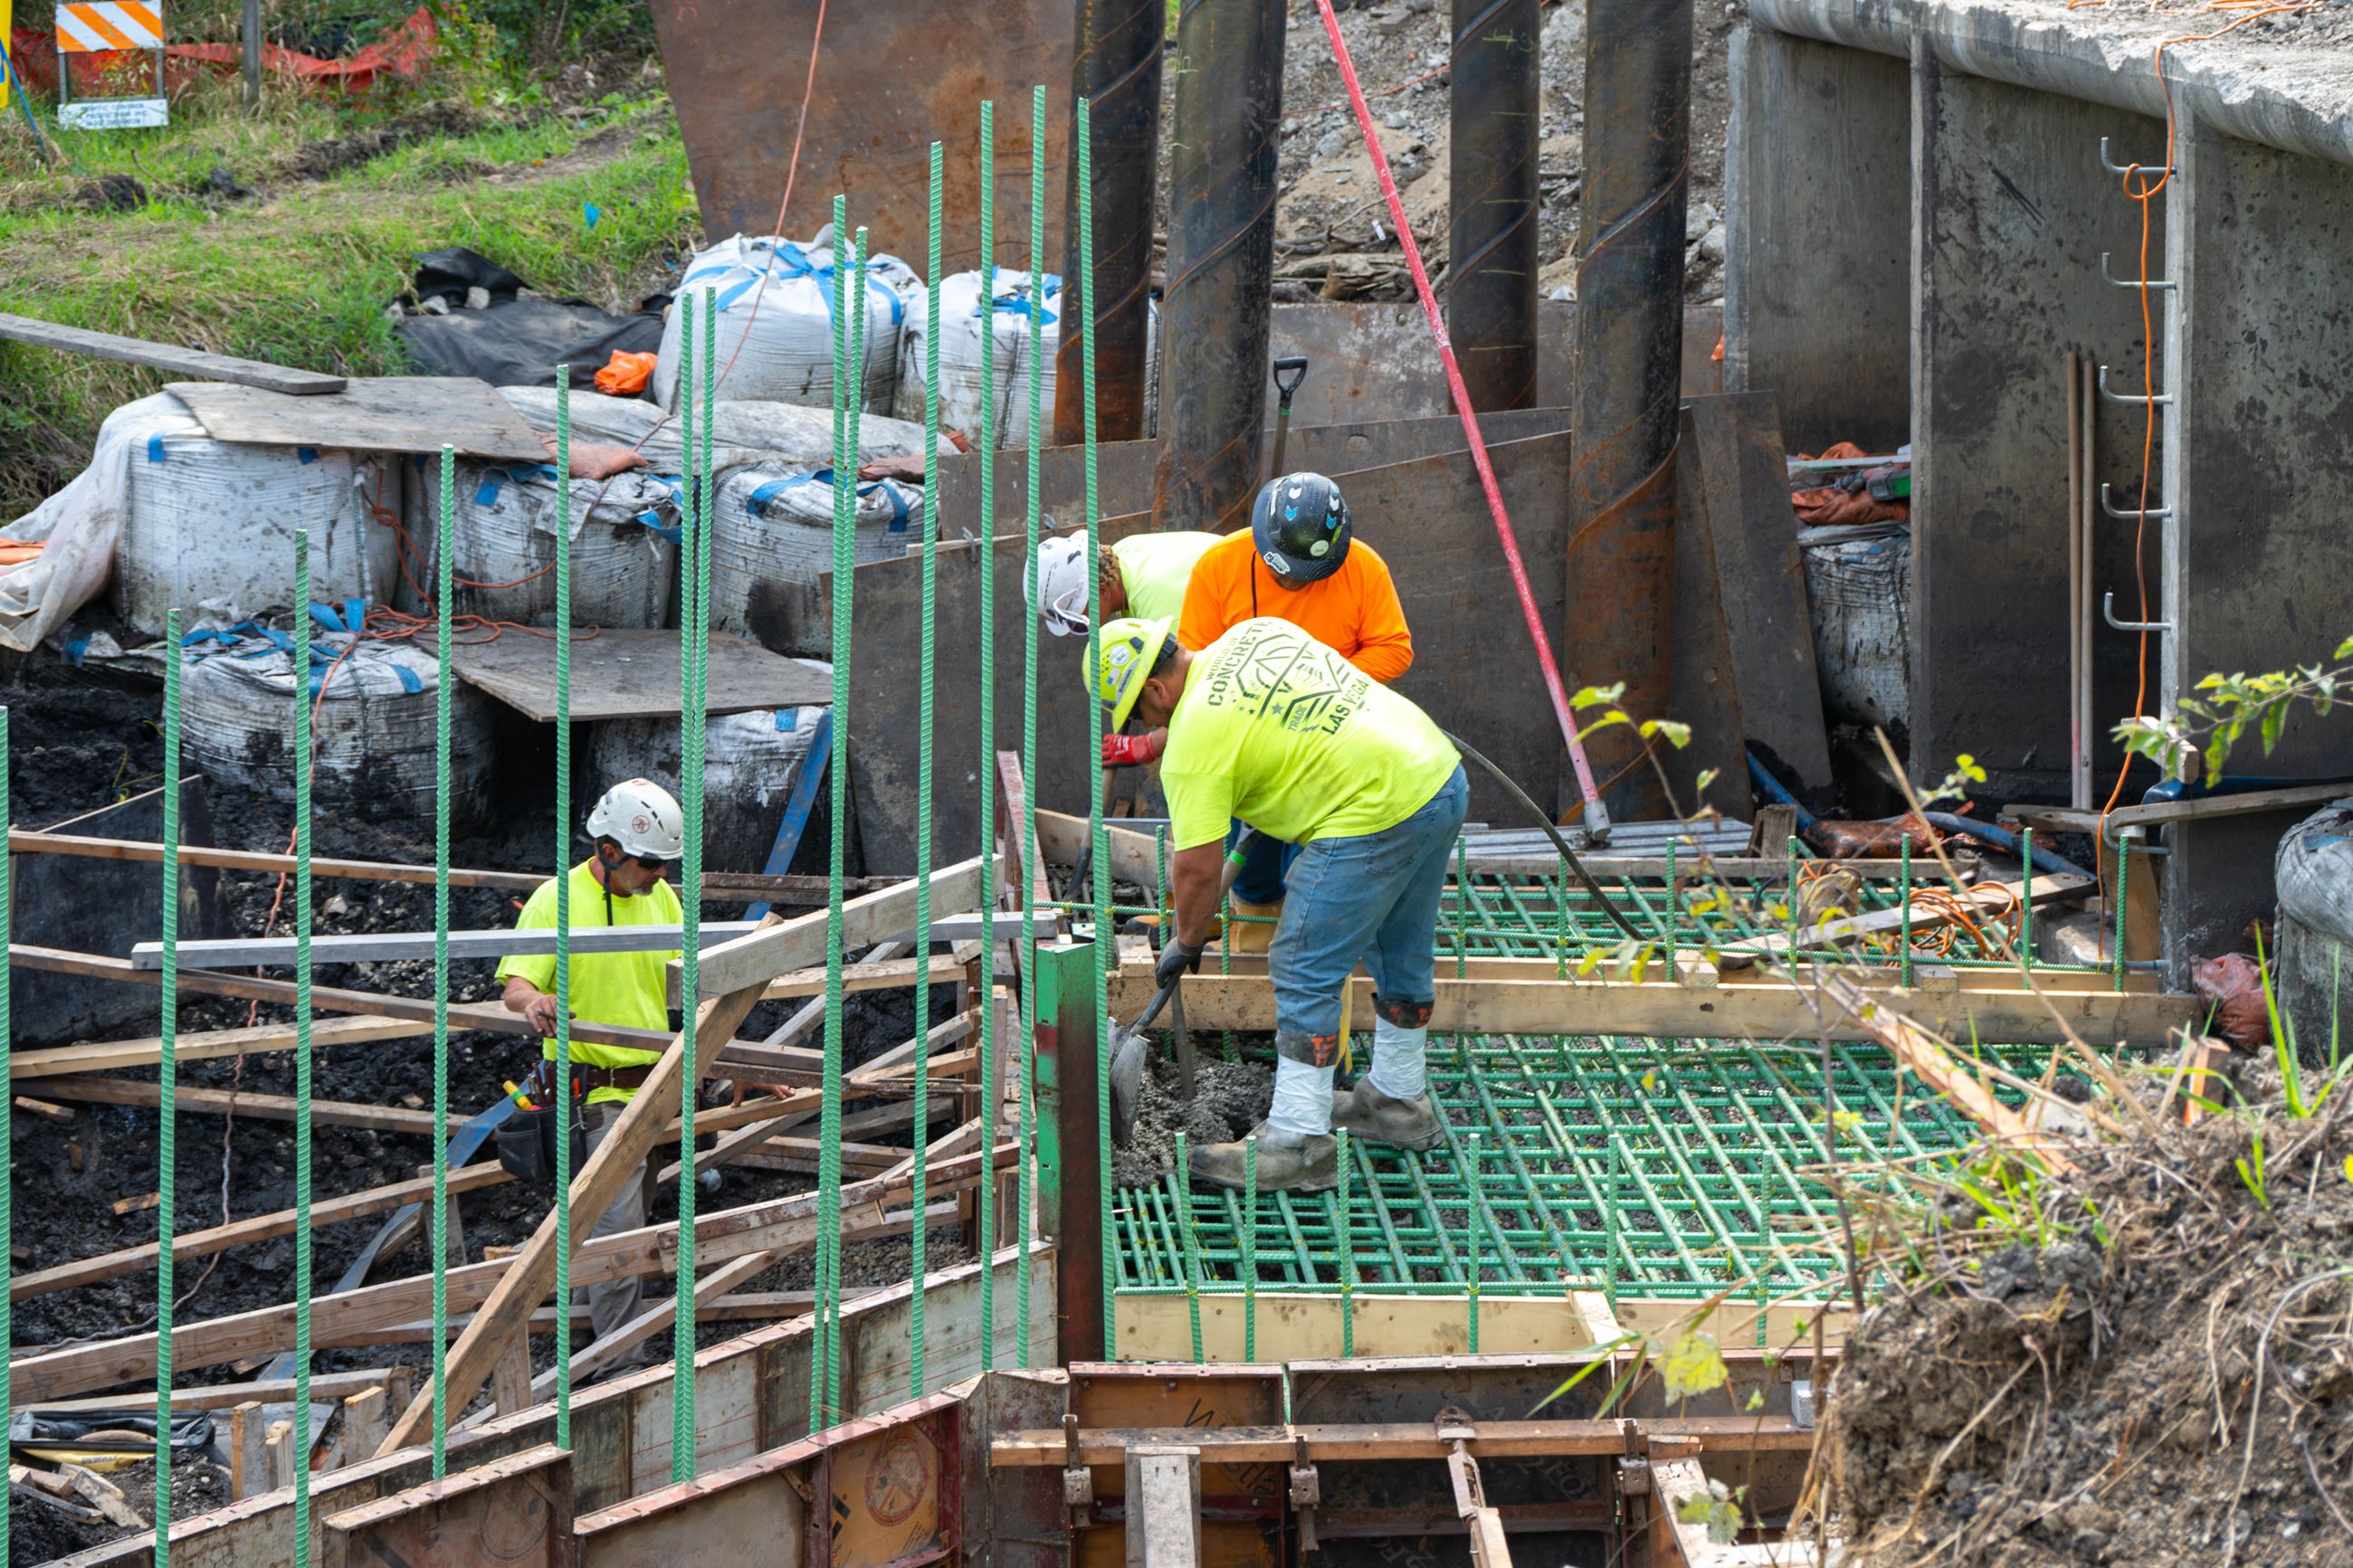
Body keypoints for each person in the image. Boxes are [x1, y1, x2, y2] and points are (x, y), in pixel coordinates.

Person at [1091, 613, 1468, 1193]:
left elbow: (1194, 869)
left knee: (1301, 964)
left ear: (1157, 689)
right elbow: (1294, 739)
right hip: (1435, 776)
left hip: (1370, 811)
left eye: (1142, 711)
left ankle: (1298, 1142)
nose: (1149, 723)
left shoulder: (1193, 743)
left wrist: (1187, 938)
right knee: (1400, 948)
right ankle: (1398, 1103)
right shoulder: (1255, 634)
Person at [1153, 472, 1414, 953]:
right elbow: (1195, 666)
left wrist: (1322, 688)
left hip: (1333, 743)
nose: (1292, 581)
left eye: (1305, 574)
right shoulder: (1219, 567)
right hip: (1250, 744)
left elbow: (1393, 647)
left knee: (1312, 864)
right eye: (1282, 571)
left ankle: (1310, 955)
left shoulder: (1365, 568)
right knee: (1249, 870)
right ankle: (1254, 954)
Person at [495, 777, 687, 1367]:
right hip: (595, 1099)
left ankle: (587, 1342)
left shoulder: (663, 898)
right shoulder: (557, 899)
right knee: (619, 1242)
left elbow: (682, 985)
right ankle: (620, 1370)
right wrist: (535, 1004)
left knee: (609, 1226)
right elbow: (516, 985)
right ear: (609, 850)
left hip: (654, 1091)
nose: (659, 874)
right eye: (651, 862)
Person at [1026, 528, 1221, 637]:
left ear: (1101, 592)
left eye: (1079, 624)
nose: (1080, 629)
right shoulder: (1123, 553)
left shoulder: (1158, 613)